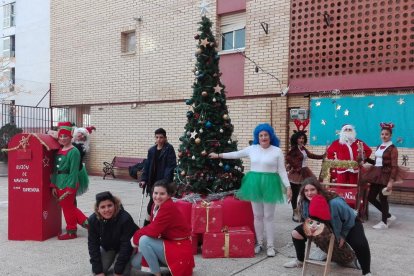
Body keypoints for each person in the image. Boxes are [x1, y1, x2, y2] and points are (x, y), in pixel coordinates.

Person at [209, 123, 292, 257]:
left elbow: (282, 171)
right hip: (254, 184)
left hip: (270, 184)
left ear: (270, 136)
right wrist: (219, 155)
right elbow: (236, 154)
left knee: (269, 217)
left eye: (266, 135)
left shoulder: (277, 151)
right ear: (257, 137)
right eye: (261, 135)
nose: (263, 137)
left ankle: (270, 245)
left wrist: (288, 187)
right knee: (257, 216)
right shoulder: (252, 148)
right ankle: (259, 243)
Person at [283, 177, 371, 276]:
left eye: (312, 189)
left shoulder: (334, 202)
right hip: (327, 224)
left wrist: (342, 235)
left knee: (360, 243)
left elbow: (349, 218)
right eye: (306, 190)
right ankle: (300, 261)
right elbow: (309, 221)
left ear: (318, 190)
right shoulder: (305, 203)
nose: (309, 193)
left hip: (348, 223)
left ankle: (366, 272)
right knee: (296, 233)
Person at [130, 180, 195, 276]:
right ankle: (163, 267)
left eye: (162, 194)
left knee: (144, 240)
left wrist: (134, 238)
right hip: (169, 243)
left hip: (179, 248)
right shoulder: (155, 205)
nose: (158, 197)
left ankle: (157, 274)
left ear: (169, 195)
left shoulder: (168, 207)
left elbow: (153, 231)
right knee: (136, 263)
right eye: (155, 193)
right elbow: (153, 229)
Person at [362, 123, 408, 230]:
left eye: (386, 134)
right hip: (376, 173)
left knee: (383, 198)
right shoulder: (379, 146)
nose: (384, 136)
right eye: (382, 134)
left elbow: (394, 166)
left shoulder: (392, 149)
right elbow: (377, 162)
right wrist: (366, 159)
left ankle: (384, 222)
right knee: (371, 197)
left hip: (386, 175)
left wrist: (391, 181)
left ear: (390, 135)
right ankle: (388, 216)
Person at [50, 121, 88, 240]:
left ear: (70, 136)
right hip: (59, 183)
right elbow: (55, 170)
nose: (62, 138)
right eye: (60, 136)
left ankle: (72, 231)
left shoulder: (74, 152)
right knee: (69, 207)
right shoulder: (59, 151)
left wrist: (70, 187)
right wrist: (53, 184)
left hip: (68, 183)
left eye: (65, 136)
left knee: (68, 208)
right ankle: (88, 224)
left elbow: (73, 171)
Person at [88, 191, 139, 276]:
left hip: (126, 247)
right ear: (98, 209)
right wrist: (98, 271)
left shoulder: (125, 218)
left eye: (109, 205)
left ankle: (129, 258)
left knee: (122, 272)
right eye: (103, 207)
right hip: (108, 247)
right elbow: (93, 244)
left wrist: (118, 271)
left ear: (115, 205)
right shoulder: (93, 220)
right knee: (96, 271)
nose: (107, 210)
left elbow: (126, 245)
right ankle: (113, 260)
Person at [286, 119, 325, 222]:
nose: (301, 140)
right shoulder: (294, 149)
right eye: (299, 138)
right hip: (297, 173)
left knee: (305, 193)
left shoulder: (303, 148)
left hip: (305, 172)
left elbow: (310, 155)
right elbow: (288, 157)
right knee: (295, 195)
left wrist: (322, 156)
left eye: (303, 138)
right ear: (296, 139)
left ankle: (305, 211)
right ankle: (295, 213)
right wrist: (295, 166)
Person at [139, 128, 177, 226]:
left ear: (165, 138)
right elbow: (147, 165)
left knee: (161, 203)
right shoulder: (151, 150)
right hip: (153, 181)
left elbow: (170, 166)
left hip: (163, 181)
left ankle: (156, 223)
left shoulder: (169, 149)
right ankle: (148, 223)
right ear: (155, 138)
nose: (159, 139)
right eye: (157, 137)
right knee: (152, 203)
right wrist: (143, 179)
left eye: (161, 137)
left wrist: (165, 182)